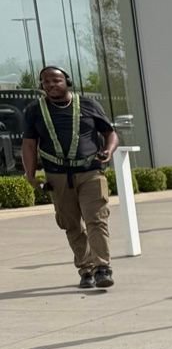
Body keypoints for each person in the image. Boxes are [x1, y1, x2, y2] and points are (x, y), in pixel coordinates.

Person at [21, 65, 119, 289]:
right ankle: (86, 270)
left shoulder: (88, 105)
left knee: (96, 219)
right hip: (57, 177)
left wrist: (109, 150)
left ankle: (103, 267)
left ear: (67, 81)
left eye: (56, 80)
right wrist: (30, 175)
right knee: (71, 224)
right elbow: (29, 144)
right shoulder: (35, 110)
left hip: (91, 172)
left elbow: (110, 132)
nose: (51, 85)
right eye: (46, 82)